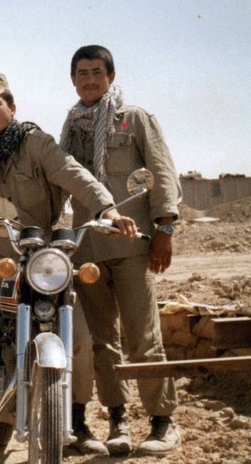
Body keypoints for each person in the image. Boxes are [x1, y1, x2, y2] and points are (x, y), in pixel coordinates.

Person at [0, 71, 138, 463]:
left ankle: (77, 420)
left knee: (80, 337)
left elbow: (74, 173)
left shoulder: (35, 142)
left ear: (12, 106)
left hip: (45, 252)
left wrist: (107, 209)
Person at [59, 44, 182, 457]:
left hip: (132, 244)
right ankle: (119, 420)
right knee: (102, 342)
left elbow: (162, 172)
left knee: (143, 337)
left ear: (110, 76)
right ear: (73, 80)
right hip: (89, 250)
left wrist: (165, 228)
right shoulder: (71, 128)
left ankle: (163, 421)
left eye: (97, 72)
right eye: (82, 73)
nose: (89, 80)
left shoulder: (134, 118)